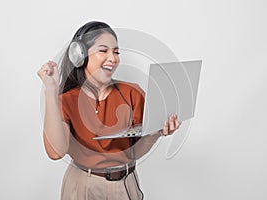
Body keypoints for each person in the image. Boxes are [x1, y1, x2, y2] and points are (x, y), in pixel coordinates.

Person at [37, 21, 180, 200]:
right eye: (103, 51)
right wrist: (50, 90)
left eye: (116, 52)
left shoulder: (132, 93)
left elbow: (134, 152)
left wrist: (157, 132)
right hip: (82, 186)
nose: (113, 58)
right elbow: (55, 152)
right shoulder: (66, 101)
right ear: (79, 56)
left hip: (125, 185)